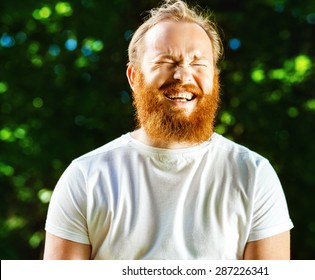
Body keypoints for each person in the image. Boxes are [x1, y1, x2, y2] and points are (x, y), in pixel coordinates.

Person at [43, 0, 293, 260]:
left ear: (215, 77)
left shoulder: (252, 175)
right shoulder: (85, 177)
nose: (183, 76)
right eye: (166, 62)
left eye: (198, 63)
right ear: (134, 76)